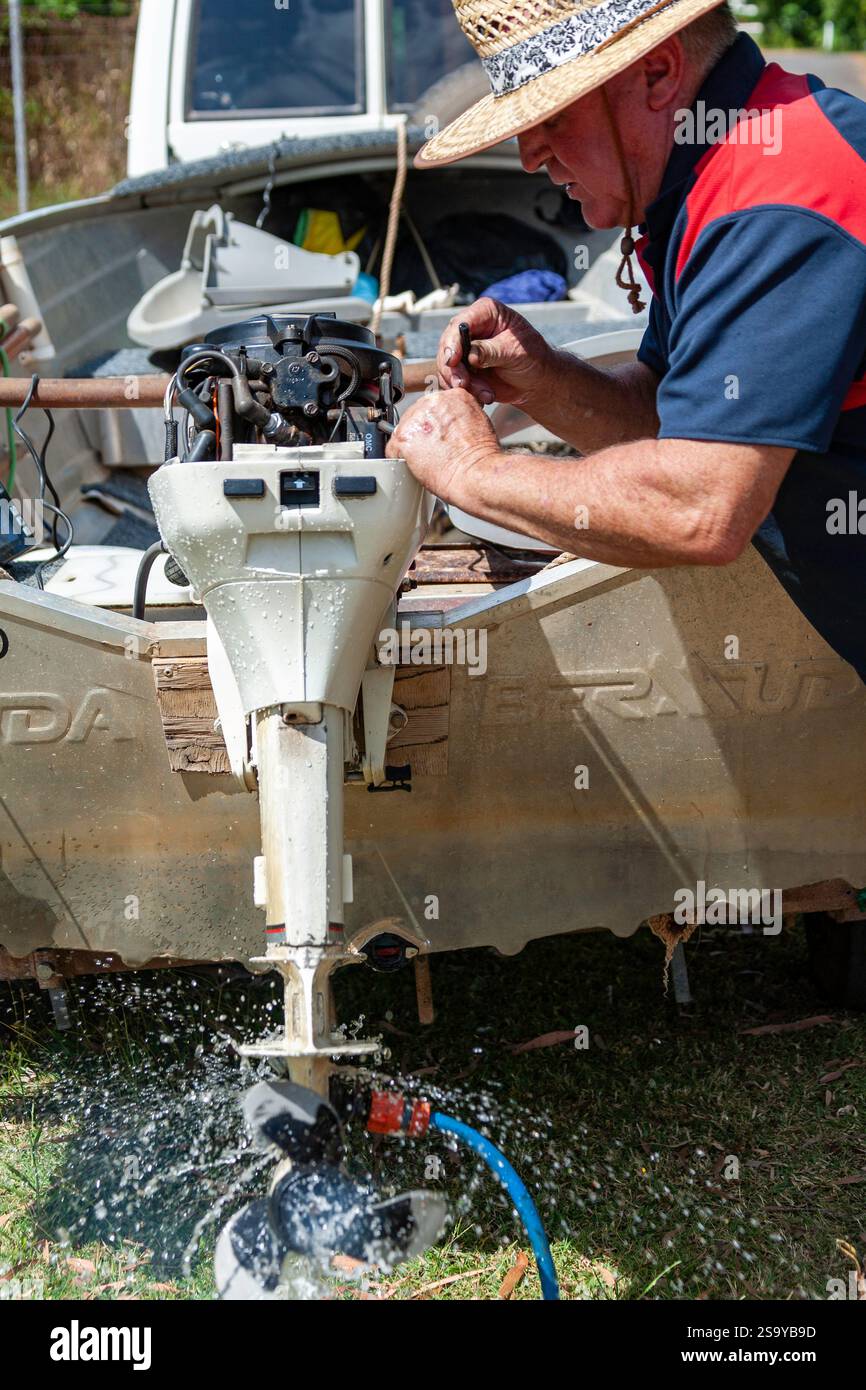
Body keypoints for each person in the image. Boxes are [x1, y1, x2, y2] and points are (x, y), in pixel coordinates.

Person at [388, 0, 866, 683]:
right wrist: (549, 381)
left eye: (553, 117)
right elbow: (679, 423)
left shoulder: (780, 194)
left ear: (659, 72)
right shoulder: (725, 168)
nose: (530, 157)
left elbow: (701, 505)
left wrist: (471, 471)